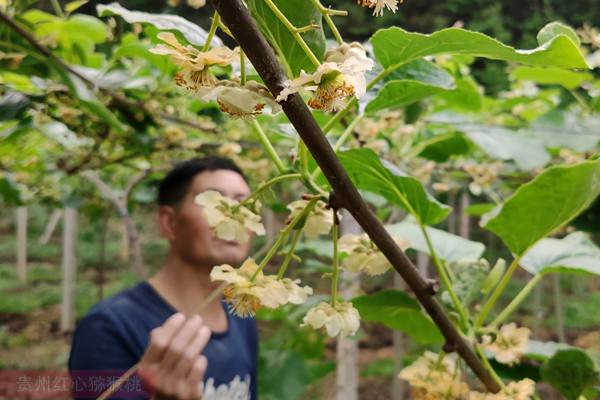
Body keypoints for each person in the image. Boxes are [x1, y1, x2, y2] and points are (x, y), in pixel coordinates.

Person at [68, 156, 258, 400]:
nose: (236, 216)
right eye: (217, 203)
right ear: (169, 222)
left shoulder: (240, 315)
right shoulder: (108, 327)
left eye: (246, 204)